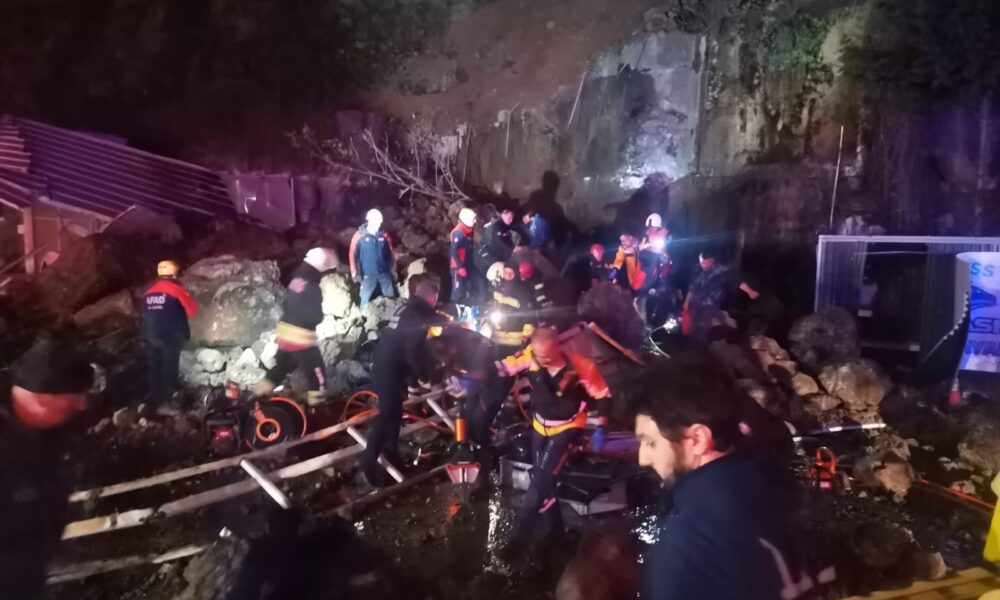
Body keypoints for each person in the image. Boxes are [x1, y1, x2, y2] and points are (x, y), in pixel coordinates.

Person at [632, 355, 825, 600]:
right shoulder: (776, 488)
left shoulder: (686, 547)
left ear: (697, 439)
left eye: (650, 442)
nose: (643, 459)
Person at [498, 327, 610, 553]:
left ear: (558, 347)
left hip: (566, 428)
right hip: (540, 427)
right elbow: (504, 367)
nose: (542, 361)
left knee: (538, 485)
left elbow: (603, 396)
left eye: (547, 356)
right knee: (542, 478)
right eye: (538, 356)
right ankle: (557, 534)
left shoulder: (582, 367)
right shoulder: (531, 356)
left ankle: (519, 541)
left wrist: (601, 428)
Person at [1, 327, 93, 599]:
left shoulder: (47, 431)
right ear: (41, 397)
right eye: (73, 398)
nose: (82, 405)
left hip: (30, 570)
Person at [360, 274, 448, 487]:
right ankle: (368, 463)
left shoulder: (409, 308)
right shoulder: (418, 314)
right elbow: (413, 351)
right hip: (389, 369)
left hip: (386, 365)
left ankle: (392, 455)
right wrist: (423, 377)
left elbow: (409, 340)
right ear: (433, 298)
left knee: (395, 414)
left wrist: (412, 380)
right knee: (387, 415)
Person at [255, 248, 338, 405]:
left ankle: (257, 395)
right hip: (302, 337)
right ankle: (318, 406)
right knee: (316, 372)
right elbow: (314, 316)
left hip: (285, 332)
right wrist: (319, 317)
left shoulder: (296, 280)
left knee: (281, 367)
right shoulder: (313, 287)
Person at [143, 259, 197, 413]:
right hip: (172, 334)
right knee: (170, 366)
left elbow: (145, 315)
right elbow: (192, 310)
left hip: (152, 334)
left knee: (155, 366)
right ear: (173, 274)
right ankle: (170, 399)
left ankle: (153, 400)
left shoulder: (148, 293)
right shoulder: (176, 290)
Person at [684, 249, 759, 341]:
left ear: (713, 260)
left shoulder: (722, 270)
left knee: (703, 326)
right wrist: (686, 302)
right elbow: (692, 286)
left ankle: (700, 344)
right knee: (692, 324)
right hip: (696, 302)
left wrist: (750, 291)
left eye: (708, 263)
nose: (705, 265)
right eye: (702, 263)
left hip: (710, 304)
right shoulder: (697, 269)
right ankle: (691, 342)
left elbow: (737, 281)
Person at [350, 208, 397, 310]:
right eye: (377, 222)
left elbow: (392, 254)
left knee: (391, 298)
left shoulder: (384, 235)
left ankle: (393, 316)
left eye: (380, 223)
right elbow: (352, 254)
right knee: (365, 299)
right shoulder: (359, 236)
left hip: (384, 274)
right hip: (368, 275)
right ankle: (363, 316)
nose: (379, 225)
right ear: (370, 221)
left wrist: (393, 270)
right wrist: (354, 271)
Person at [489, 263, 538, 355]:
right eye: (505, 272)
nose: (508, 275)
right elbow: (493, 306)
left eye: (511, 273)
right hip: (497, 339)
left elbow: (529, 314)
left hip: (515, 340)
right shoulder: (498, 287)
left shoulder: (522, 290)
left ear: (516, 273)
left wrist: (525, 339)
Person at [450, 207, 478, 306]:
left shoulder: (468, 230)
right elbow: (453, 251)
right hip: (458, 266)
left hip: (467, 263)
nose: (475, 221)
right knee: (458, 290)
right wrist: (459, 266)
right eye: (473, 219)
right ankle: (455, 308)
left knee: (468, 287)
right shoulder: (458, 233)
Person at [476, 208, 517, 274]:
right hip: (488, 255)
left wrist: (514, 246)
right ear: (503, 215)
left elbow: (507, 238)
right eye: (509, 218)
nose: (511, 220)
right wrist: (511, 249)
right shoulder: (496, 226)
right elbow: (498, 241)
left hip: (496, 254)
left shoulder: (505, 226)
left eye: (512, 218)